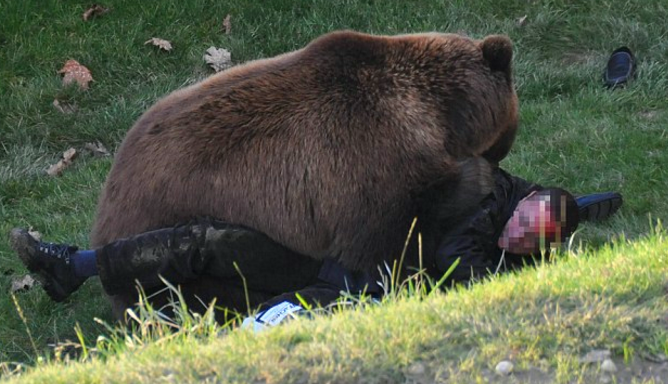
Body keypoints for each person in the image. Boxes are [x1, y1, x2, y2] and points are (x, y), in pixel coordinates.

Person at [9, 166, 622, 328]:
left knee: (274, 326)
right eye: (528, 220)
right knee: (209, 242)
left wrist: (542, 239)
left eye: (533, 240)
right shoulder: (496, 191)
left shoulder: (494, 266)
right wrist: (584, 208)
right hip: (328, 248)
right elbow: (560, 206)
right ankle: (76, 266)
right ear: (530, 197)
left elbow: (455, 266)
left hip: (354, 293)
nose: (520, 232)